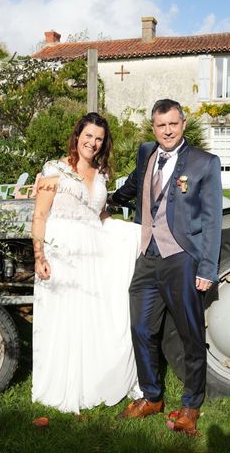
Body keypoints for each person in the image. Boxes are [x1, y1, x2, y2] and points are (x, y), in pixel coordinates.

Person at [110, 99, 222, 436]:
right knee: (141, 329)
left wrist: (206, 268)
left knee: (190, 334)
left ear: (183, 124)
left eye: (173, 124)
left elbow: (213, 219)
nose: (167, 130)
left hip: (182, 259)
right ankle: (152, 396)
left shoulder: (205, 162)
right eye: (161, 125)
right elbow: (133, 185)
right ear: (154, 127)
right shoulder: (146, 152)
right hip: (147, 257)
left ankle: (190, 405)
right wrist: (107, 201)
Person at [31, 112, 141, 413]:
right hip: (62, 249)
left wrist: (132, 231)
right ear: (77, 135)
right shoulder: (55, 170)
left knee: (92, 316)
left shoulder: (101, 174)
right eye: (89, 136)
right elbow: (39, 215)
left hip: (93, 251)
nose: (92, 143)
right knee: (64, 318)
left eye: (99, 139)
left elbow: (99, 215)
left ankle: (91, 379)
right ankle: (62, 384)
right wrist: (39, 256)